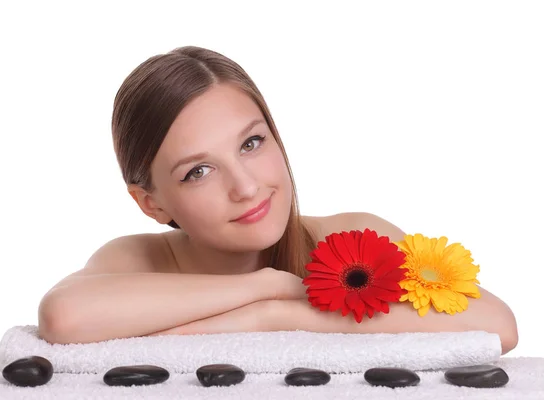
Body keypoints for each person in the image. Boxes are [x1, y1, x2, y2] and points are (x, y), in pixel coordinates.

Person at [37, 46, 518, 354]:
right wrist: (264, 286)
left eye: (251, 143)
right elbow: (63, 316)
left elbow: (497, 326)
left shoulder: (350, 239)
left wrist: (279, 315)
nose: (245, 187)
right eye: (198, 171)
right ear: (152, 204)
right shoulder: (137, 258)